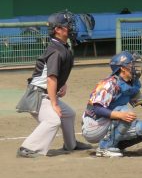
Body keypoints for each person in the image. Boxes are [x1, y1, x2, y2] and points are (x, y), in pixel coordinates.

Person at [17, 10, 92, 158]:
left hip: (44, 94)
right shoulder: (56, 51)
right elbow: (51, 78)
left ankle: (71, 144)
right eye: (68, 25)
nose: (72, 27)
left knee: (68, 114)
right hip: (37, 96)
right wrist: (54, 103)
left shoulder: (63, 47)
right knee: (53, 120)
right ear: (57, 29)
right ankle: (27, 148)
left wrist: (62, 84)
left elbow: (57, 76)